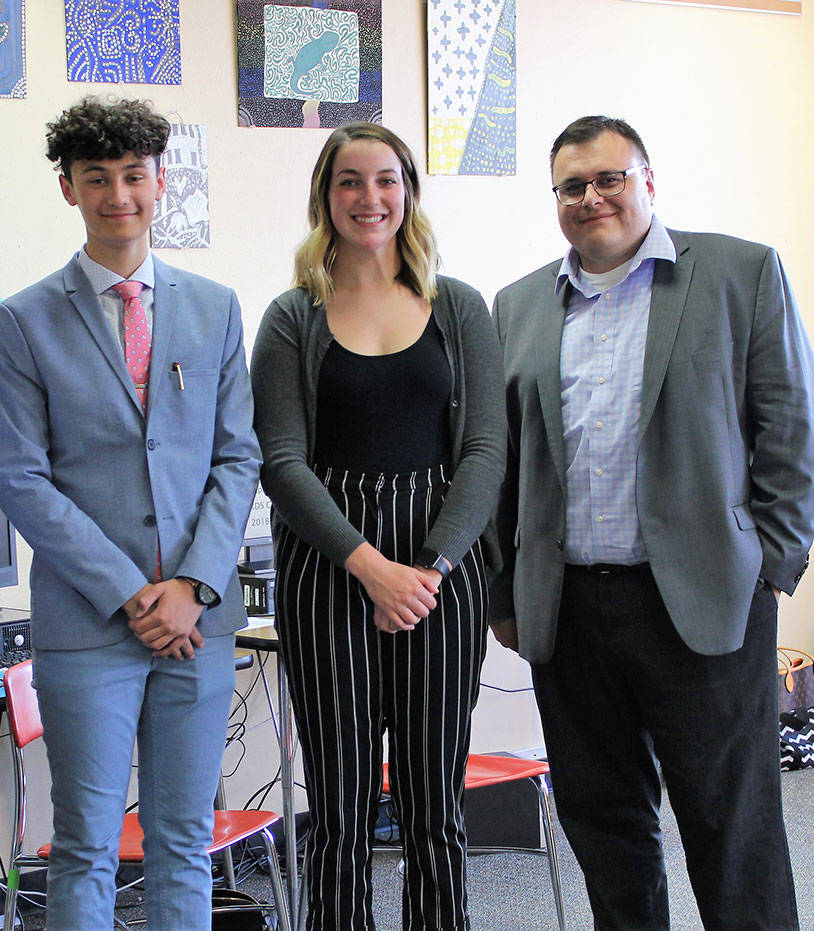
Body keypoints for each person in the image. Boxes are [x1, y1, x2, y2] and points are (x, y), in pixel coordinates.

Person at [490, 115, 814, 929]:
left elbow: (792, 428)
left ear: (649, 182)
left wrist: (769, 566)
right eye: (572, 185)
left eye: (610, 177)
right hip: (570, 611)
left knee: (729, 823)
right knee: (605, 825)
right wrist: (507, 592)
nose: (592, 197)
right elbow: (505, 459)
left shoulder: (739, 273)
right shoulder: (520, 303)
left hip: (703, 602)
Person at [0, 96, 261, 929]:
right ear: (67, 188)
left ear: (159, 181)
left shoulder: (214, 307)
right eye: (96, 178)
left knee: (184, 841)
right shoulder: (25, 320)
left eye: (133, 176)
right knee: (87, 847)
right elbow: (25, 481)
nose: (118, 196)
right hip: (90, 626)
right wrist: (136, 593)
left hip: (199, 622)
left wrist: (192, 586)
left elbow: (237, 456)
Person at [251, 121, 507, 930]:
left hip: (442, 574)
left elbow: (487, 449)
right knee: (340, 807)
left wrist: (426, 567)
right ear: (326, 197)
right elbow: (283, 461)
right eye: (351, 181)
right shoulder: (294, 316)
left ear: (409, 192)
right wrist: (370, 565)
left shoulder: (458, 307)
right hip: (330, 571)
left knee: (435, 802)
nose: (371, 198)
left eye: (387, 179)